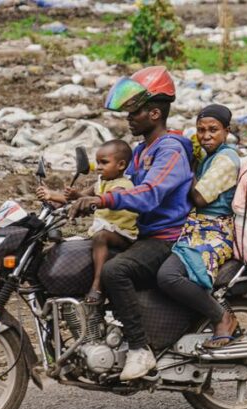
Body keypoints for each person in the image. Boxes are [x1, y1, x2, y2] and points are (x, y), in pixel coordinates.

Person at [70, 66, 194, 381]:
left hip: (167, 238)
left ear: (155, 113)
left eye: (134, 111)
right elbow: (120, 186)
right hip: (143, 234)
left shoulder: (170, 151)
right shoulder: (140, 151)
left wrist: (103, 201)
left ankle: (140, 349)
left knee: (115, 271)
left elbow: (149, 194)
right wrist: (78, 198)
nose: (129, 117)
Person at [157, 104, 240, 349]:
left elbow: (200, 197)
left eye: (213, 130)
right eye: (201, 130)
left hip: (214, 233)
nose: (206, 136)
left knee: (168, 276)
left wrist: (184, 165)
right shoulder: (208, 157)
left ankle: (221, 317)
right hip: (195, 228)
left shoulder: (226, 159)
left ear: (226, 131)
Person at [37, 140, 138, 305]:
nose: (99, 167)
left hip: (122, 233)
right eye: (97, 162)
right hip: (101, 228)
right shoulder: (100, 182)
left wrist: (84, 199)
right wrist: (51, 195)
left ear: (121, 165)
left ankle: (97, 285)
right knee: (62, 239)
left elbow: (106, 198)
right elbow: (81, 198)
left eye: (104, 162)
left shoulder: (123, 185)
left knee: (100, 237)